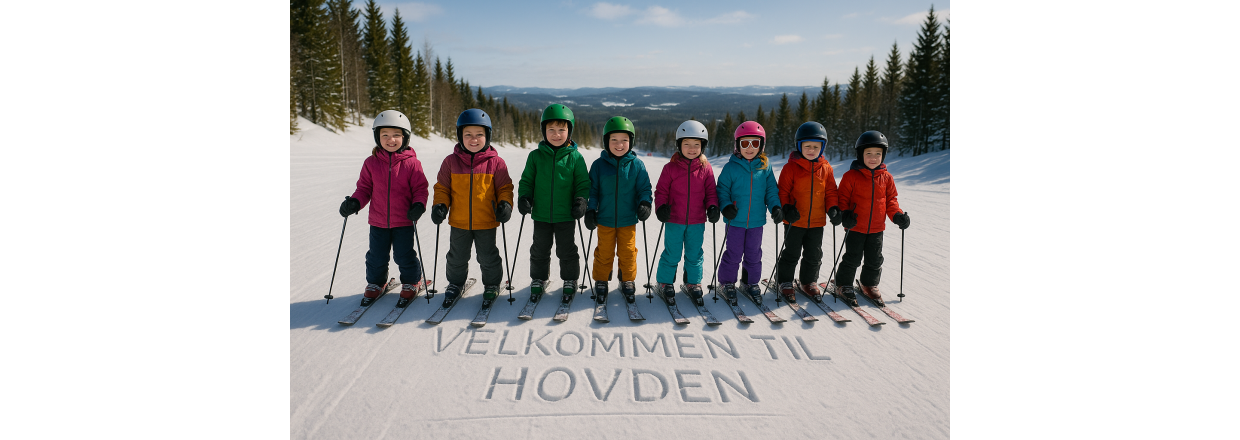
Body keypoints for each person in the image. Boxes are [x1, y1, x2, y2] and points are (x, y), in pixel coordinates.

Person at [339, 110, 430, 306]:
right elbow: (364, 189)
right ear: (377, 137)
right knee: (376, 256)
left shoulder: (412, 164)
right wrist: (354, 202)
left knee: (404, 255)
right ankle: (376, 283)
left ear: (405, 137)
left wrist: (418, 205)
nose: (391, 139)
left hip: (404, 220)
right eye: (385, 135)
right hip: (378, 221)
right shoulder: (371, 163)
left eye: (396, 135)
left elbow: (420, 189)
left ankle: (412, 281)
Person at [429, 109, 514, 307]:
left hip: (486, 221)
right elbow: (442, 188)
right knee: (456, 257)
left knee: (488, 256)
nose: (473, 139)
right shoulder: (450, 162)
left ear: (488, 136)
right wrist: (440, 205)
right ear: (460, 136)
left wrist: (505, 204)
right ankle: (455, 283)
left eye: (479, 134)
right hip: (459, 222)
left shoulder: (496, 163)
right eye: (468, 134)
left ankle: (492, 284)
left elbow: (505, 188)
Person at [517, 104, 591, 303]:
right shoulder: (535, 156)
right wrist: (525, 197)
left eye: (561, 129)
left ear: (569, 131)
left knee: (566, 250)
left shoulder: (575, 157)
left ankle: (570, 279)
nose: (556, 134)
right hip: (541, 215)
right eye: (551, 129)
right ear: (544, 131)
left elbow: (583, 183)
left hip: (566, 215)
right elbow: (527, 181)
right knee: (539, 250)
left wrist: (581, 201)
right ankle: (539, 278)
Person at [833, 130, 911, 305]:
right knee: (852, 258)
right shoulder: (850, 176)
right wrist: (845, 214)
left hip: (877, 228)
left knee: (875, 259)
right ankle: (843, 284)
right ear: (860, 154)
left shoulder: (886, 178)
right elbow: (842, 199)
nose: (873, 158)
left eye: (878, 154)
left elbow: (891, 201)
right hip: (855, 227)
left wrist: (897, 215)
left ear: (883, 155)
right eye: (869, 153)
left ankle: (869, 284)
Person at [585, 116, 653, 303]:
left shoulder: (636, 165)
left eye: (624, 140)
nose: (619, 144)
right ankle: (601, 279)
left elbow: (644, 189)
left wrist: (645, 203)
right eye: (614, 139)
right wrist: (590, 210)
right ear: (606, 141)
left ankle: (627, 280)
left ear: (631, 141)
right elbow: (593, 191)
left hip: (627, 220)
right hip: (604, 219)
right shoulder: (598, 165)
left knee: (628, 252)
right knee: (604, 252)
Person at [652, 120, 719, 305]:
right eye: (687, 144)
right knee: (672, 253)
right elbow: (661, 191)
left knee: (694, 253)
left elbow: (711, 192)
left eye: (696, 144)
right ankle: (665, 282)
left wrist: (713, 207)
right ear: (679, 145)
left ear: (702, 146)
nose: (691, 148)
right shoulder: (670, 168)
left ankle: (693, 282)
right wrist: (661, 207)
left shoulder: (706, 168)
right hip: (674, 219)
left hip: (697, 221)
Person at [715, 121, 782, 303]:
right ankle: (727, 283)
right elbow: (722, 190)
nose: (750, 148)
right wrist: (726, 206)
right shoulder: (731, 167)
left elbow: (771, 191)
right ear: (738, 145)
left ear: (762, 145)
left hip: (756, 221)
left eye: (755, 143)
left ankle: (750, 282)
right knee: (733, 253)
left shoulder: (765, 167)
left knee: (754, 254)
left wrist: (775, 207)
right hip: (735, 220)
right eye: (745, 143)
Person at [774, 122, 840, 301]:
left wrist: (833, 208)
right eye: (807, 146)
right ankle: (784, 281)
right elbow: (782, 192)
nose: (811, 150)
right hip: (794, 221)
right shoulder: (790, 168)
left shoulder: (826, 169)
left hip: (817, 221)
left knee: (814, 254)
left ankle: (808, 281)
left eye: (816, 147)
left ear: (822, 147)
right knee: (791, 253)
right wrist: (786, 208)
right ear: (799, 146)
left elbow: (831, 192)